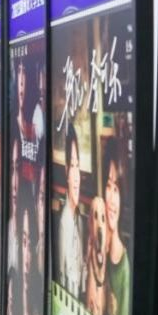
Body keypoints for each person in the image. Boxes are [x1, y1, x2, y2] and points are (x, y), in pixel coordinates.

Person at [101, 139, 130, 315]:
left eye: (116, 190)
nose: (111, 199)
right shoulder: (99, 251)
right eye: (108, 186)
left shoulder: (125, 268)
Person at [56, 124, 85, 299]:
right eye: (72, 165)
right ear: (66, 170)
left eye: (78, 166)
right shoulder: (63, 224)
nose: (76, 178)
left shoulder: (80, 221)